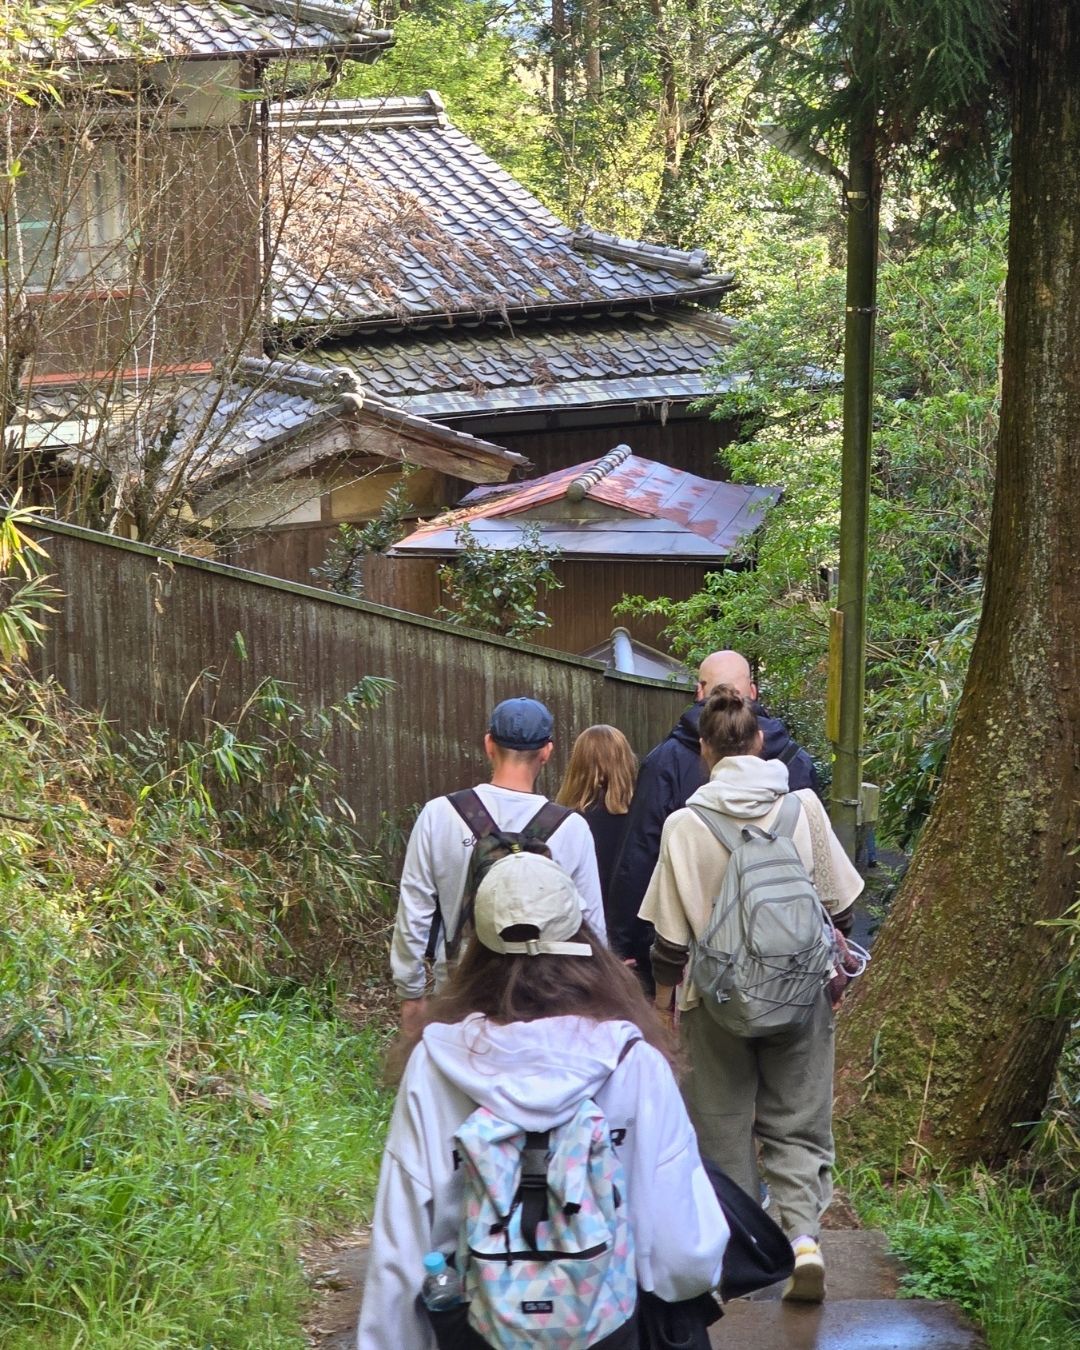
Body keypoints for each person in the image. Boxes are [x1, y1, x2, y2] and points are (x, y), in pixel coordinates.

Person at [358, 852, 729, 1349]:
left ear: (477, 948)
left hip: (473, 1327)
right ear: (582, 937)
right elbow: (684, 1255)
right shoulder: (632, 1062)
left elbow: (402, 1239)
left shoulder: (437, 1064)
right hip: (612, 1328)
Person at [639, 685, 862, 1304]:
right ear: (760, 742)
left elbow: (669, 941)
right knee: (799, 1123)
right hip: (800, 997)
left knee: (722, 1126)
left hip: (716, 1003)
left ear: (704, 752)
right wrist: (827, 969)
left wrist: (662, 1005)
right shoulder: (803, 809)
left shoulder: (685, 825)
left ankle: (740, 1261)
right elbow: (841, 908)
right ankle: (804, 1240)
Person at [391, 697, 605, 1035]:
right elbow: (593, 927)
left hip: (460, 992)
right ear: (547, 752)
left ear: (489, 744)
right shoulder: (571, 828)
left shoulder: (439, 814)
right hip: (547, 999)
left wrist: (411, 992)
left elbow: (414, 910)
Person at [608, 650, 820, 978]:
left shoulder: (666, 763)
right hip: (790, 960)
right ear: (752, 692)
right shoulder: (796, 763)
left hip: (702, 962)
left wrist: (624, 948)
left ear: (699, 691)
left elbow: (639, 858)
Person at [556, 724, 637, 916]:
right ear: (626, 762)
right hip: (630, 925)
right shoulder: (642, 820)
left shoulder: (565, 823)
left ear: (577, 765)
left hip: (580, 925)